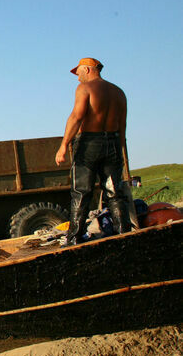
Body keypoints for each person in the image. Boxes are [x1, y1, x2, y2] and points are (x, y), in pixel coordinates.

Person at [55, 57, 132, 245]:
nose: (77, 77)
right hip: (113, 142)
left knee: (81, 192)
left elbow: (76, 117)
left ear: (88, 69)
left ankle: (74, 239)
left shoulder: (85, 89)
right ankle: (124, 235)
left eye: (79, 72)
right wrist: (120, 150)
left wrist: (64, 145)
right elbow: (122, 126)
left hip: (89, 142)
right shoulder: (119, 93)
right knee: (114, 191)